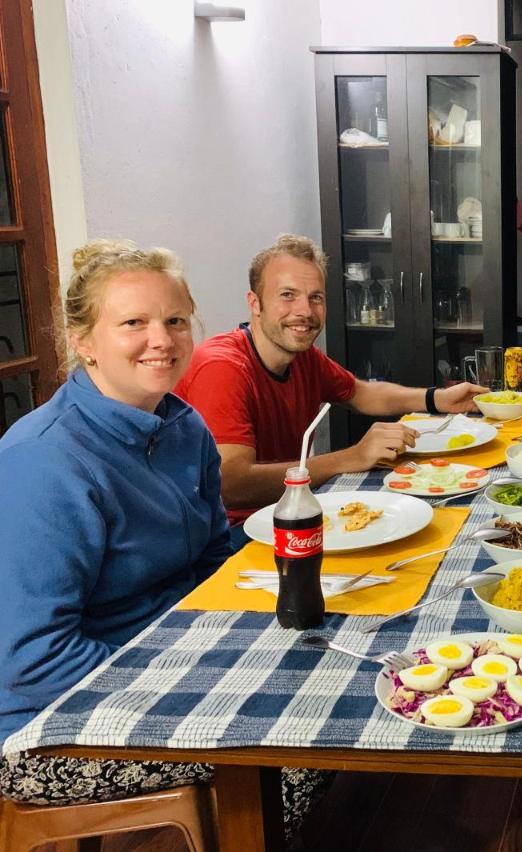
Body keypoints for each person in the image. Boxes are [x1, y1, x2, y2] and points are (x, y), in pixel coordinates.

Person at [0, 240, 324, 840]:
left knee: (318, 674)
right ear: (83, 340)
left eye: (175, 320)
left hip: (167, 657)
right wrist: (187, 675)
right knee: (293, 751)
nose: (162, 339)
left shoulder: (183, 426)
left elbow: (209, 563)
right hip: (47, 727)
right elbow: (33, 661)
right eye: (133, 323)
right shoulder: (42, 462)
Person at [175, 234, 486, 532]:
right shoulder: (222, 366)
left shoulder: (303, 357)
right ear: (255, 303)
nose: (305, 311)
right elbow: (231, 485)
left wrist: (438, 399)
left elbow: (362, 393)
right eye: (288, 295)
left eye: (316, 298)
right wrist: (352, 456)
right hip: (236, 535)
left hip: (294, 511)